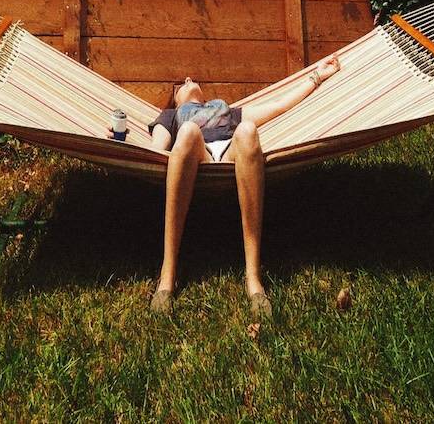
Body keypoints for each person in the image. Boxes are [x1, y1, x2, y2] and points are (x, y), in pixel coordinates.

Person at [110, 54, 341, 317]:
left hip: (232, 152)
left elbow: (279, 105)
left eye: (190, 79)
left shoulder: (227, 110)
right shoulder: (170, 115)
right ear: (175, 99)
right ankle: (167, 274)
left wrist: (317, 77)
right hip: (196, 152)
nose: (188, 79)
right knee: (188, 131)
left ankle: (253, 279)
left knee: (248, 130)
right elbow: (155, 150)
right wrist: (120, 144)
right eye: (181, 84)